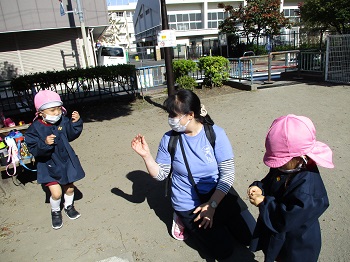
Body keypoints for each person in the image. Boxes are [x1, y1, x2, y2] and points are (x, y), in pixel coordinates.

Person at [131, 89, 256, 260]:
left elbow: (227, 174)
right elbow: (161, 175)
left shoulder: (215, 134)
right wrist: (146, 156)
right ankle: (182, 217)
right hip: (189, 202)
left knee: (252, 238)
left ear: (190, 114)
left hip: (216, 194)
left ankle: (219, 221)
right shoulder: (169, 139)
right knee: (224, 251)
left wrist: (212, 205)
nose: (170, 120)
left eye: (174, 115)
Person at [247, 114, 333, 262]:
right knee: (278, 256)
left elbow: (286, 218)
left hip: (298, 245)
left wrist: (263, 202)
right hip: (281, 239)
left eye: (281, 161)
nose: (277, 166)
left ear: (300, 157)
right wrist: (260, 187)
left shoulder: (307, 189)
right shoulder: (286, 168)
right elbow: (270, 181)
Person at [25, 89, 85, 230]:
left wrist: (75, 123)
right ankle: (56, 211)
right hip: (48, 164)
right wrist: (44, 144)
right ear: (41, 113)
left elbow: (70, 134)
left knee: (69, 189)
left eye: (59, 109)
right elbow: (32, 148)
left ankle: (69, 206)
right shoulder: (35, 128)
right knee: (56, 193)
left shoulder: (62, 121)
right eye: (52, 110)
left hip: (66, 161)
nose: (57, 113)